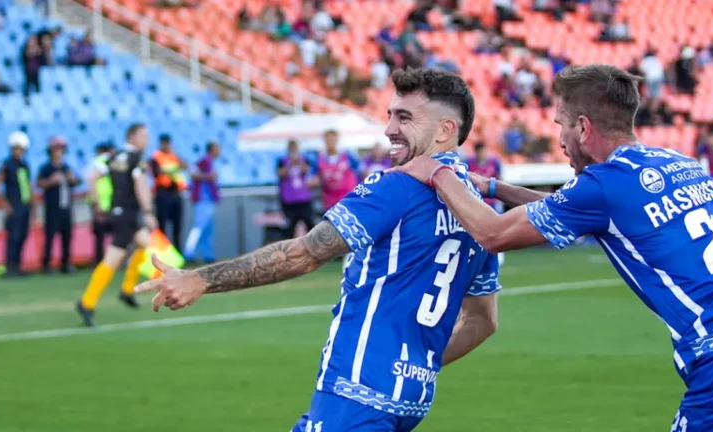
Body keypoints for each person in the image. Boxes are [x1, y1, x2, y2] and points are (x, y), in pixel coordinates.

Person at [390, 64, 713, 431]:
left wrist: (435, 171)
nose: (561, 138)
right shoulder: (677, 163)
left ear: (582, 127)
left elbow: (493, 234)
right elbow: (574, 208)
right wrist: (491, 187)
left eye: (560, 125)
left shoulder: (605, 185)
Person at [135, 68, 501, 432]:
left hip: (357, 390)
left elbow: (305, 253)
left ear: (445, 130)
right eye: (390, 115)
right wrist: (417, 366)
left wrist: (200, 279)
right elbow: (484, 321)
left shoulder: (397, 187)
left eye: (404, 117)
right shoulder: (479, 210)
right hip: (411, 397)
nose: (389, 128)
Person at [76, 124, 158, 327]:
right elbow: (141, 185)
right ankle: (87, 302)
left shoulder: (113, 156)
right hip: (128, 214)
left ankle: (127, 289)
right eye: (143, 135)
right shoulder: (136, 159)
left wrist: (96, 204)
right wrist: (148, 211)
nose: (147, 139)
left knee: (144, 242)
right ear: (133, 137)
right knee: (113, 258)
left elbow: (91, 177)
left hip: (117, 212)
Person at [37, 137, 80, 274]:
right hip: (52, 208)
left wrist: (71, 179)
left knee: (67, 235)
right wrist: (52, 181)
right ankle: (47, 264)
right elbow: (39, 184)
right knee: (50, 235)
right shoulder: (46, 168)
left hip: (66, 207)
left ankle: (66, 263)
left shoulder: (66, 168)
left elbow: (77, 181)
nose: (59, 152)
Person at [0, 132, 35, 277]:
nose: (19, 152)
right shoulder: (7, 165)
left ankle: (18, 265)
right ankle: (10, 266)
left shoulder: (24, 165)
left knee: (23, 235)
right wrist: (4, 204)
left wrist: (32, 204)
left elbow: (29, 185)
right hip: (14, 205)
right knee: (13, 236)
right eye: (17, 148)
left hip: (24, 205)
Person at [466, 141, 504, 266]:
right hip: (477, 202)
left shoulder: (494, 162)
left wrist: (499, 197)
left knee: (496, 228)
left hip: (492, 202)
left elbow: (500, 179)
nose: (482, 154)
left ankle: (498, 254)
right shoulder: (469, 163)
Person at [183, 141, 220, 264]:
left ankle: (208, 255)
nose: (219, 151)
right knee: (199, 227)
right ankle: (188, 253)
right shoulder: (204, 160)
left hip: (208, 200)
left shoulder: (211, 161)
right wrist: (208, 176)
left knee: (208, 228)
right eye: (217, 148)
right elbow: (193, 173)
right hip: (202, 200)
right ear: (212, 149)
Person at [150, 134, 187, 252]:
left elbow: (185, 165)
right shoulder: (156, 157)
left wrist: (174, 156)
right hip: (163, 194)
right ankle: (163, 254)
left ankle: (178, 254)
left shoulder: (174, 156)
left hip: (176, 194)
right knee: (162, 227)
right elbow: (157, 171)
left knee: (177, 227)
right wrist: (173, 168)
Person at [277, 139, 317, 240]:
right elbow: (280, 174)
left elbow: (307, 171)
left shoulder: (304, 159)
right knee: (289, 228)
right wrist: (290, 164)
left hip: (304, 199)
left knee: (310, 225)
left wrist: (298, 162)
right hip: (289, 200)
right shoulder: (282, 161)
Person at [316, 129, 360, 211]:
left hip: (347, 199)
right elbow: (315, 177)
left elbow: (360, 170)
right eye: (328, 140)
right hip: (330, 201)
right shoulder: (320, 159)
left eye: (332, 139)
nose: (330, 142)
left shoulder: (348, 155)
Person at [87, 142, 116, 264]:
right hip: (104, 203)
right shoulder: (103, 162)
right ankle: (102, 261)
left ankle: (102, 260)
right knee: (105, 234)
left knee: (102, 235)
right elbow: (92, 180)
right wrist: (96, 204)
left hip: (106, 203)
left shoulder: (97, 162)